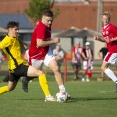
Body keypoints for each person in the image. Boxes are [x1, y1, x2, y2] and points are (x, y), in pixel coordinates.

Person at [22, 10, 69, 99]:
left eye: (51, 20)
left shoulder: (44, 24)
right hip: (36, 55)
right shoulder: (41, 28)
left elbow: (39, 23)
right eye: (48, 20)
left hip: (46, 51)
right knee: (34, 76)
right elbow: (39, 43)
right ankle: (25, 80)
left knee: (56, 68)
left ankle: (63, 92)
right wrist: (53, 41)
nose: (50, 22)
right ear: (43, 19)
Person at [94, 11, 117, 91]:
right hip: (111, 50)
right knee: (104, 67)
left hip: (114, 50)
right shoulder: (102, 29)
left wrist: (112, 39)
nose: (105, 20)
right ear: (102, 19)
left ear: (109, 19)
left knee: (103, 67)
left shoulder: (112, 27)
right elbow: (105, 40)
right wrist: (98, 39)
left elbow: (110, 39)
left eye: (107, 19)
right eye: (104, 18)